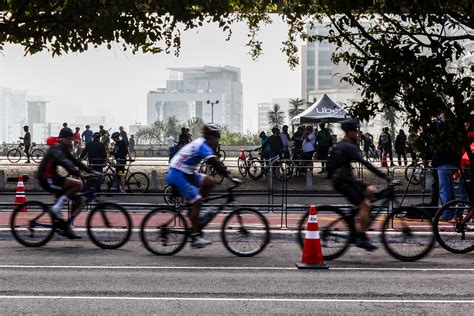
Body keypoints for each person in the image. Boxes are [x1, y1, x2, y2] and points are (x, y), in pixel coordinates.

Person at [326, 119, 393, 251]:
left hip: (348, 179)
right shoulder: (347, 146)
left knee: (371, 191)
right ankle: (361, 237)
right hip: (342, 181)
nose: (357, 133)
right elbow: (365, 163)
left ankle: (358, 216)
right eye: (355, 130)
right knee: (365, 205)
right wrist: (386, 177)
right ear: (350, 132)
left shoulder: (348, 144)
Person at [166, 123, 234, 248]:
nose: (218, 139)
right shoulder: (202, 145)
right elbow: (214, 162)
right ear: (210, 136)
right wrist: (230, 177)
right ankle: (195, 237)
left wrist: (227, 174)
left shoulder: (205, 144)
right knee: (197, 201)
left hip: (187, 173)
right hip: (177, 173)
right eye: (217, 136)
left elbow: (215, 160)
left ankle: (194, 210)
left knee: (211, 182)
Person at [37, 128, 93, 239]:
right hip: (46, 179)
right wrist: (77, 172)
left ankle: (68, 226)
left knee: (79, 199)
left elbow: (74, 160)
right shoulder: (56, 148)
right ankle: (56, 208)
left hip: (54, 177)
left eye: (72, 139)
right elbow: (64, 161)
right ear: (62, 139)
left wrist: (90, 171)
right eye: (69, 139)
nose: (71, 141)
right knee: (78, 185)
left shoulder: (64, 147)